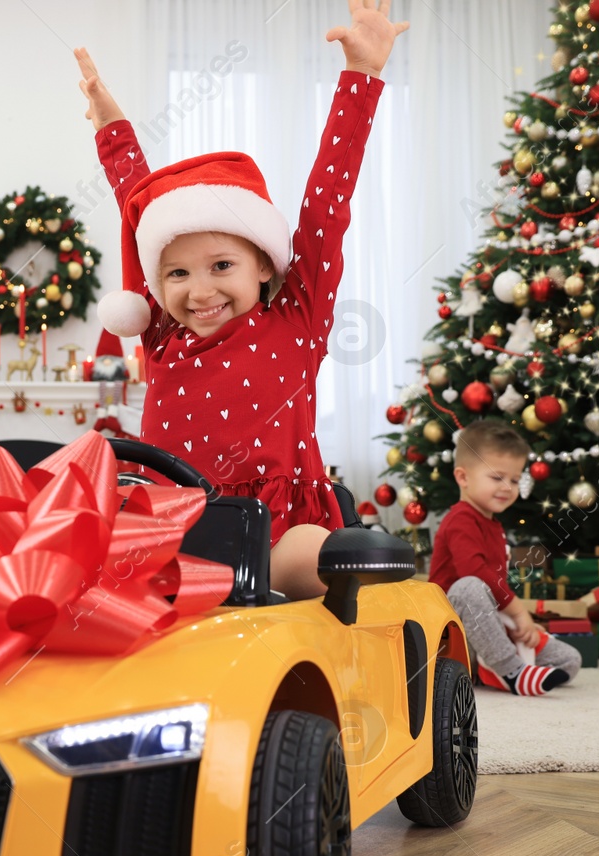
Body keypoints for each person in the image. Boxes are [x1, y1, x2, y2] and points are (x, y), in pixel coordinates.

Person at [75, 0, 408, 601]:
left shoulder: (296, 319)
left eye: (221, 266)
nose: (198, 291)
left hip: (275, 541)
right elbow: (138, 202)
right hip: (175, 537)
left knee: (316, 552)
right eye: (176, 273)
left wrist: (361, 79)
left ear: (263, 263)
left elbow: (327, 204)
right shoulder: (161, 336)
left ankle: (289, 596)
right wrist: (111, 128)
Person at [428, 420, 581, 696]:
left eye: (514, 479)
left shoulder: (495, 526)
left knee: (569, 660)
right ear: (463, 478)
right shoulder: (460, 520)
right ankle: (512, 671)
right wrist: (517, 611)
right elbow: (473, 572)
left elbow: (497, 585)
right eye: (497, 477)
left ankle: (497, 666)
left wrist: (520, 624)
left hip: (489, 628)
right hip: (454, 636)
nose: (508, 487)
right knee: (467, 587)